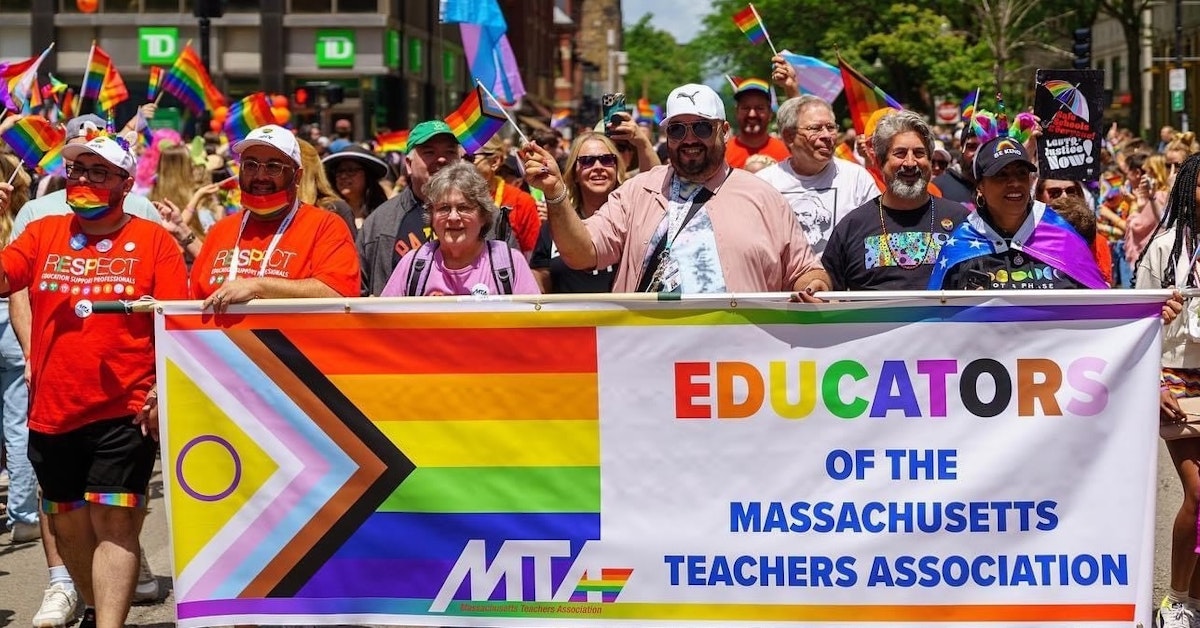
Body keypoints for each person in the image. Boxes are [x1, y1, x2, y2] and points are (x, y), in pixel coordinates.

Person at [0, 132, 188, 628]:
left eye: (97, 172)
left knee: (115, 521)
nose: (82, 179)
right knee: (68, 528)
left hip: (123, 410)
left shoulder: (154, 243)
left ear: (126, 184)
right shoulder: (42, 233)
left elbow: (175, 325)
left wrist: (157, 394)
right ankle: (90, 604)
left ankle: (109, 624)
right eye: (77, 171)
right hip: (52, 409)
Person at [521, 83, 829, 294]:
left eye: (702, 127)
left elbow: (806, 270)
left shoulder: (763, 196)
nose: (689, 138)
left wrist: (814, 286)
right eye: (678, 129)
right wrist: (556, 191)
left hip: (737, 366)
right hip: (651, 361)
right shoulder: (638, 191)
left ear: (723, 131)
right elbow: (582, 253)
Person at [1133, 151, 1200, 627]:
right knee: (1199, 493)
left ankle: (1194, 601)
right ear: (1187, 190)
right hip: (1178, 378)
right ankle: (1177, 599)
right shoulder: (1164, 248)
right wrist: (1157, 313)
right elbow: (1134, 319)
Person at [188, 124, 359, 311]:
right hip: (218, 340)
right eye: (250, 165)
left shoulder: (326, 226)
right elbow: (192, 301)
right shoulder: (221, 230)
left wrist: (258, 286)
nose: (260, 176)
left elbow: (340, 293)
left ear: (297, 176)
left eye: (273, 167)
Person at [357, 120, 516, 296]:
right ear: (408, 165)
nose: (441, 159)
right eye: (429, 152)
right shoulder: (379, 223)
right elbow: (358, 294)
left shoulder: (490, 216)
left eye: (449, 151)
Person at [928, 136, 1106, 290]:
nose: (1014, 183)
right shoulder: (960, 245)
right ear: (980, 185)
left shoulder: (1062, 235)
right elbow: (938, 319)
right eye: (1001, 174)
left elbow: (1100, 306)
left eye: (1021, 173)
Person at [822, 110, 968, 290]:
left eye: (919, 153)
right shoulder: (852, 227)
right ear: (880, 162)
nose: (910, 163)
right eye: (900, 153)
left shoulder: (961, 221)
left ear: (930, 161)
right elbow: (828, 295)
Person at [380, 162, 538, 296]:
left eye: (464, 208)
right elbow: (383, 325)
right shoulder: (412, 265)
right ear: (432, 217)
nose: (453, 217)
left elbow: (534, 326)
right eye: (444, 208)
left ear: (483, 216)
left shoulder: (511, 264)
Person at [755, 95, 878, 257]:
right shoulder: (763, 184)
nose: (827, 135)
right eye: (815, 128)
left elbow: (877, 238)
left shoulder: (857, 179)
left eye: (831, 127)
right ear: (789, 136)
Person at [530, 132, 624, 293]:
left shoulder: (631, 224)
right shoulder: (554, 227)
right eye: (587, 161)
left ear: (617, 169)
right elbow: (540, 286)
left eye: (607, 159)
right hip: (567, 317)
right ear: (574, 174)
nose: (598, 167)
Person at [0, 155, 35, 545]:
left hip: (12, 306)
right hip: (13, 311)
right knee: (17, 421)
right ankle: (23, 514)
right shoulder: (25, 212)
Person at [470, 135, 542, 256]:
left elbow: (533, 260)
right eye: (458, 157)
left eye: (469, 158)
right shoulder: (447, 200)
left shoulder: (521, 202)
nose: (461, 163)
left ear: (494, 162)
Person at [1035, 178, 1113, 287]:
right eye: (1054, 193)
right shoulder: (1028, 238)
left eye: (1071, 191)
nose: (1065, 197)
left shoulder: (1098, 242)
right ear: (1039, 197)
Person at [321, 144, 390, 235]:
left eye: (351, 170)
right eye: (339, 171)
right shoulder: (326, 214)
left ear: (367, 175)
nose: (343, 176)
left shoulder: (384, 215)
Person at [724, 78, 790, 169]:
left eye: (759, 108)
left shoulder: (786, 154)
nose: (752, 114)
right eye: (746, 108)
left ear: (770, 113)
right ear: (736, 112)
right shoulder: (722, 155)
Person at [933, 128, 981, 208]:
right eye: (972, 147)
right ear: (962, 148)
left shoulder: (1000, 186)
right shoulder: (937, 186)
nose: (977, 154)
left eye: (982, 147)